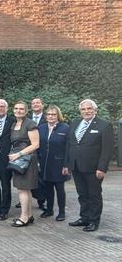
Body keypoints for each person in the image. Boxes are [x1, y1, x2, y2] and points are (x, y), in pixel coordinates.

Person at [65, 99, 114, 232]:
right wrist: (67, 164)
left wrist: (102, 168)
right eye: (83, 109)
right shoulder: (75, 123)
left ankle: (94, 221)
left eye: (89, 109)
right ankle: (84, 218)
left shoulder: (104, 125)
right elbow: (70, 145)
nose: (86, 111)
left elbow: (107, 149)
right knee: (82, 194)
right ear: (80, 111)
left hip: (93, 168)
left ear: (95, 110)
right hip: (76, 166)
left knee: (94, 195)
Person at [9, 101, 40, 227]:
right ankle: (29, 216)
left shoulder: (30, 124)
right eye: (16, 108)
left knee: (22, 189)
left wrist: (19, 154)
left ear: (26, 111)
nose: (18, 111)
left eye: (21, 109)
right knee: (25, 189)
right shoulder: (14, 124)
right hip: (17, 160)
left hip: (27, 160)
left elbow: (36, 144)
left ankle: (23, 218)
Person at [37, 105, 69, 221]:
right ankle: (49, 210)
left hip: (59, 164)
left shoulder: (65, 128)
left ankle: (62, 212)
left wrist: (66, 165)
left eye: (54, 114)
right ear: (46, 116)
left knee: (60, 189)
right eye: (49, 114)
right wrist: (37, 161)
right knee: (47, 188)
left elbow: (68, 148)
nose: (51, 116)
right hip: (44, 163)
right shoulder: (41, 128)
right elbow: (37, 145)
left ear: (58, 116)